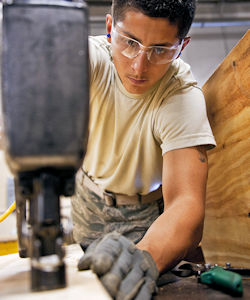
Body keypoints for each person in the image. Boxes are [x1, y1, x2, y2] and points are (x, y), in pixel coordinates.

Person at [71, 0, 216, 298]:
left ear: (182, 46)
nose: (139, 66)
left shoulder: (181, 97)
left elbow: (185, 204)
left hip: (146, 222)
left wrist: (146, 256)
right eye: (130, 42)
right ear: (110, 28)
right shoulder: (89, 59)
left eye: (161, 50)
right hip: (87, 205)